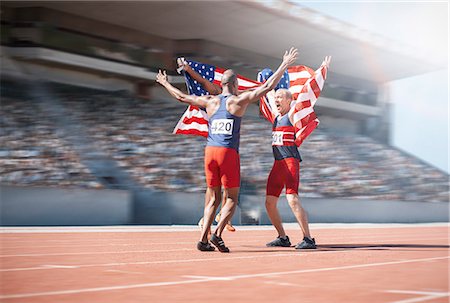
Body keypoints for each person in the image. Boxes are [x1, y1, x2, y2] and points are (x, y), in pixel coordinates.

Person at [156, 47, 298, 252]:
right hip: (228, 152)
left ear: (220, 85)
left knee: (212, 197)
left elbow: (182, 97)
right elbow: (267, 87)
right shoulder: (238, 101)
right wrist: (284, 64)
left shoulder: (209, 101)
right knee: (231, 197)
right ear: (235, 84)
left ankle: (203, 240)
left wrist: (165, 83)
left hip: (209, 152)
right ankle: (217, 235)